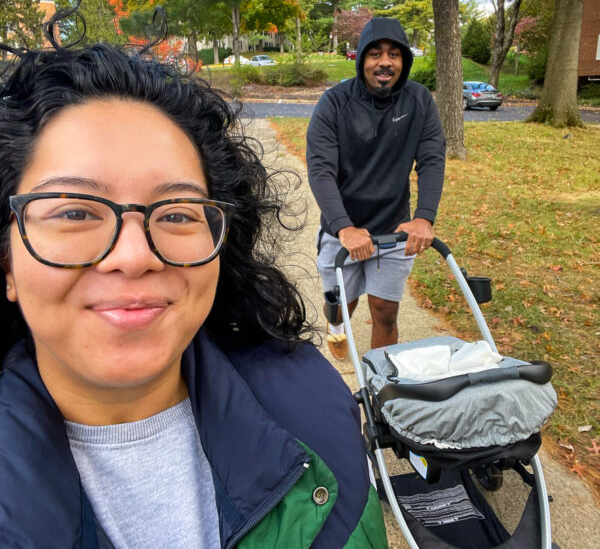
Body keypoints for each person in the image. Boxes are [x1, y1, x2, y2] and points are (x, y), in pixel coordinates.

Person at [0, 43, 388, 548]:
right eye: (75, 212)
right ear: (7, 262)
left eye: (178, 212)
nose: (135, 256)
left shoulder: (315, 403)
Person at [306, 17, 446, 359]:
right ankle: (336, 327)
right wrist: (344, 227)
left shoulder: (419, 101)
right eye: (376, 54)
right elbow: (321, 169)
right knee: (341, 310)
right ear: (362, 60)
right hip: (344, 229)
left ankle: (382, 389)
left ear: (404, 61)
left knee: (385, 311)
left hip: (393, 228)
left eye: (395, 54)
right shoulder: (334, 103)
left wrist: (424, 217)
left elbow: (431, 158)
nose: (385, 62)